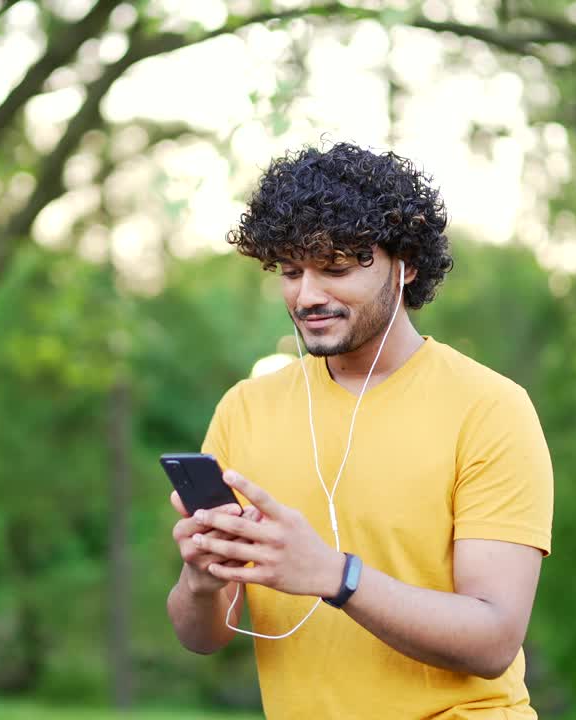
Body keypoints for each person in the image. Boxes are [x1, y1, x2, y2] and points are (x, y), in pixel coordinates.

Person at [166, 142, 553, 719]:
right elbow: (203, 636)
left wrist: (333, 575)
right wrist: (200, 582)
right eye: (292, 271)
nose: (308, 295)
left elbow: (494, 638)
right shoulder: (245, 409)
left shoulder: (490, 408)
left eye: (336, 268)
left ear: (407, 264)